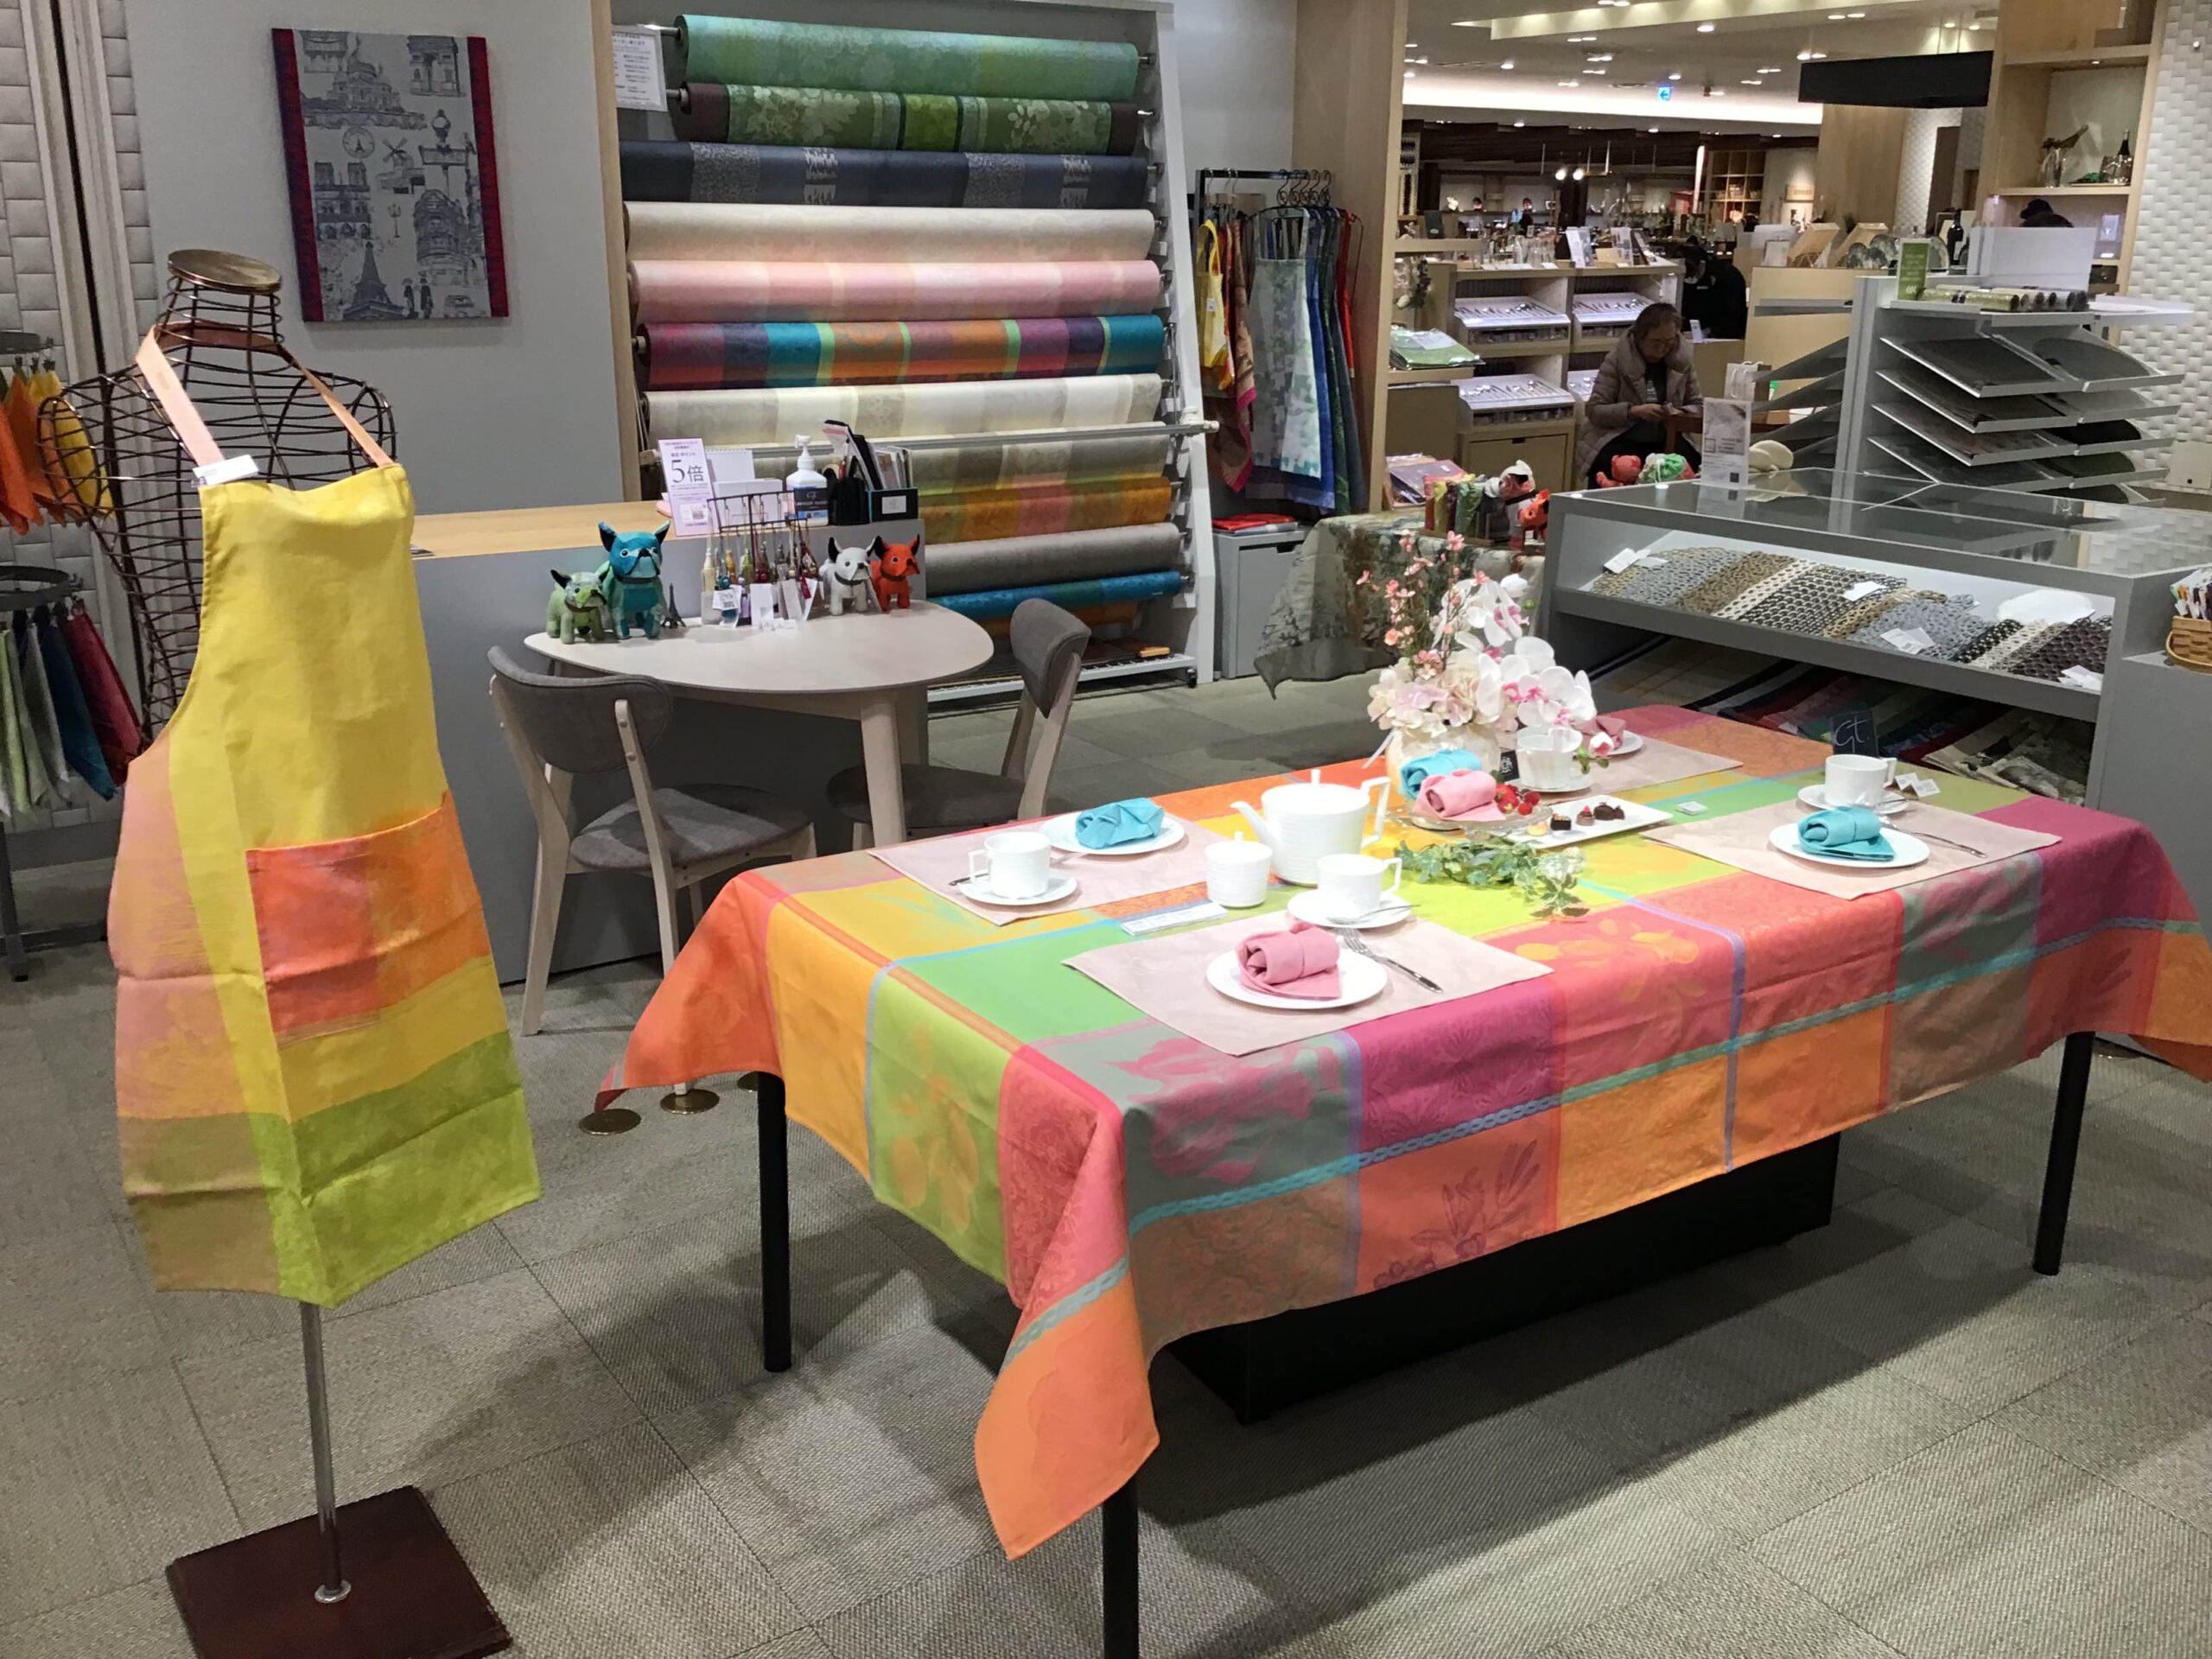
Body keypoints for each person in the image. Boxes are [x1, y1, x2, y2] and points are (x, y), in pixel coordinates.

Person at [1576, 302, 1703, 487]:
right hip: (1619, 437)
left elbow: (1698, 405)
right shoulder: (1617, 360)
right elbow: (1595, 410)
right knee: (1615, 468)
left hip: (1666, 439)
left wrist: (1679, 413)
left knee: (1692, 468)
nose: (1662, 349)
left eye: (1669, 342)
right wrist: (1633, 411)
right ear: (1640, 337)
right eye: (1656, 342)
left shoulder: (1682, 363)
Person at [1681, 246, 1749, 340]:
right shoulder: (1686, 280)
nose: (1689, 279)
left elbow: (1735, 316)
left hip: (1723, 336)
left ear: (1702, 264)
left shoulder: (1728, 276)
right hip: (1691, 334)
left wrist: (1708, 333)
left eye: (1692, 274)